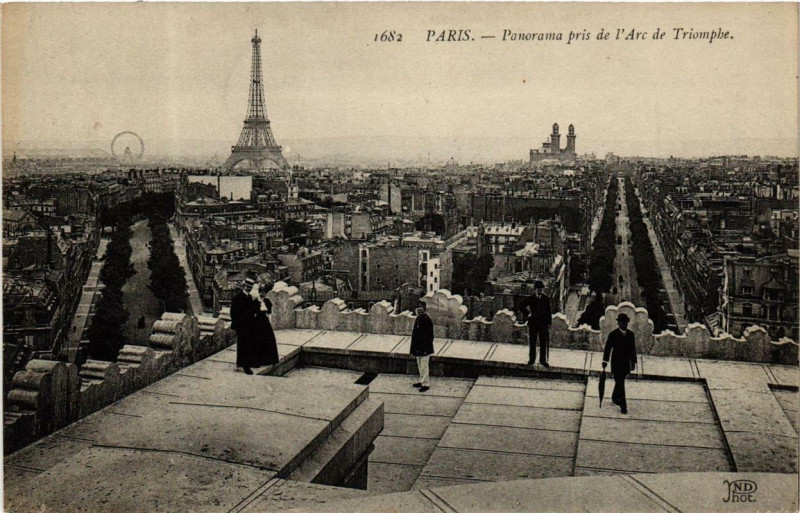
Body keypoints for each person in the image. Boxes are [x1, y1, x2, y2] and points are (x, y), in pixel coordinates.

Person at [602, 313, 637, 414]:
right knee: (621, 383)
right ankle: (623, 405)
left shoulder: (630, 335)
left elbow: (632, 349)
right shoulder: (613, 334)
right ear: (619, 323)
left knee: (619, 382)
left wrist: (633, 362)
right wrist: (605, 361)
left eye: (625, 323)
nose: (624, 325)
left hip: (626, 363)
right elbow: (608, 348)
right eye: (622, 323)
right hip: (616, 363)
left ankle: (614, 397)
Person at [230, 277, 260, 375]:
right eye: (247, 287)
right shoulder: (238, 298)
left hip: (249, 325)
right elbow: (234, 313)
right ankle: (245, 366)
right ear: (243, 286)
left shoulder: (249, 297)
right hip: (242, 325)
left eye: (250, 287)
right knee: (243, 345)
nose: (248, 288)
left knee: (249, 344)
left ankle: (246, 362)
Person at [520, 280, 551, 367]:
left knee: (543, 343)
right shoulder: (531, 298)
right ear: (535, 289)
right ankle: (532, 360)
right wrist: (527, 313)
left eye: (541, 289)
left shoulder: (545, 299)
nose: (539, 291)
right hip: (533, 324)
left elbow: (549, 311)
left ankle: (543, 360)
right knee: (532, 342)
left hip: (543, 324)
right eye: (538, 289)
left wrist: (549, 323)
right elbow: (521, 306)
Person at [410, 302, 434, 393]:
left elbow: (429, 336)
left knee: (424, 365)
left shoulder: (426, 320)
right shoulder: (419, 319)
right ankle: (421, 381)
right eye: (418, 308)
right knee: (420, 364)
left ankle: (425, 384)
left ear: (424, 309)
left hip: (424, 348)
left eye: (420, 308)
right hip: (418, 347)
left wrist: (426, 348)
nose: (418, 310)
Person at [254, 283, 280, 367]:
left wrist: (270, 322)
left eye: (264, 292)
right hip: (258, 322)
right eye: (261, 292)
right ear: (259, 292)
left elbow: (269, 313)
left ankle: (269, 360)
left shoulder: (267, 301)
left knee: (268, 339)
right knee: (258, 340)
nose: (262, 294)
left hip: (265, 322)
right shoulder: (255, 302)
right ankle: (259, 360)